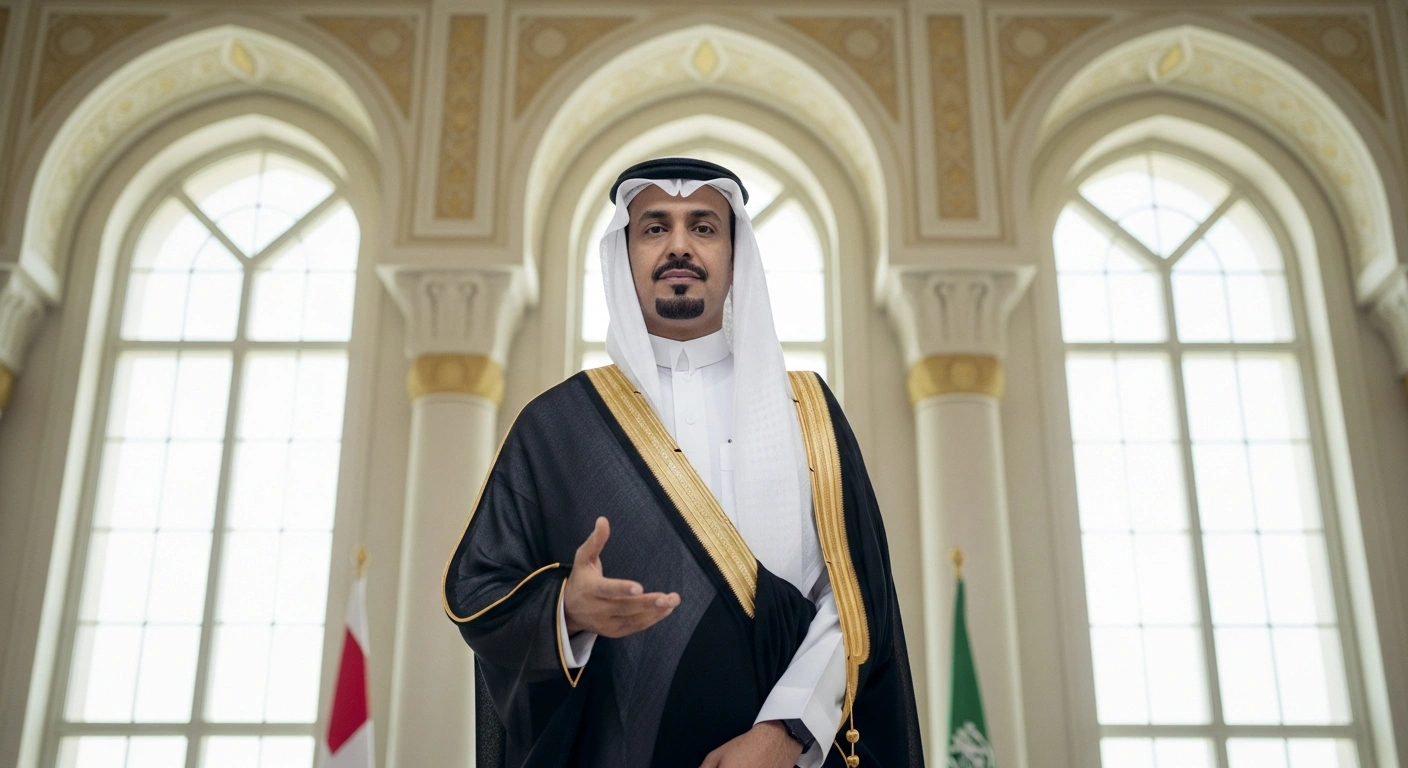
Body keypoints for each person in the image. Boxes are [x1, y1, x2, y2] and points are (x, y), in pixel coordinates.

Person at [443, 157, 923, 768]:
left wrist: (786, 731)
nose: (678, 246)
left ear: (733, 252)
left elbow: (853, 598)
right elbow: (479, 589)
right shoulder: (559, 425)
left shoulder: (809, 411)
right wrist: (567, 609)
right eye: (653, 228)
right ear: (625, 254)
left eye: (702, 227)